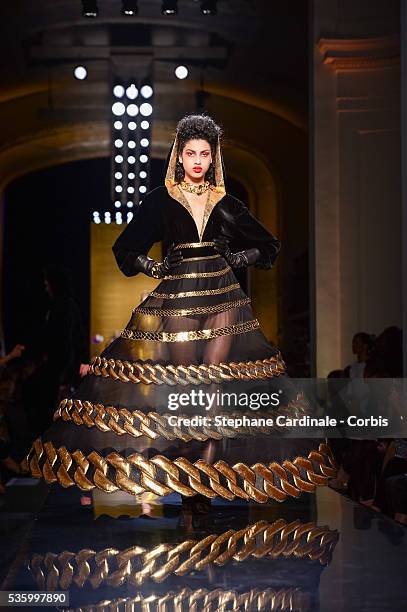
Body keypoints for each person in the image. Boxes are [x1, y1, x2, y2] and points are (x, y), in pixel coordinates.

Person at [23, 114, 335, 501]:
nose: (198, 160)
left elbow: (269, 245)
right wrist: (153, 265)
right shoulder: (161, 201)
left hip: (223, 297)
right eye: (191, 153)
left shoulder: (226, 202)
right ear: (179, 156)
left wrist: (237, 258)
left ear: (214, 157)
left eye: (205, 153)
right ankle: (189, 477)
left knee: (213, 384)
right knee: (189, 387)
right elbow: (125, 248)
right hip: (179, 300)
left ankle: (200, 485)